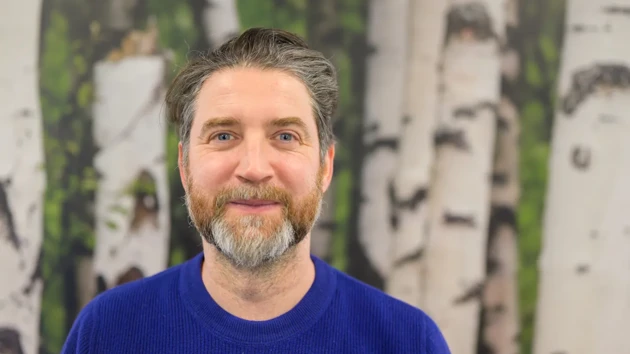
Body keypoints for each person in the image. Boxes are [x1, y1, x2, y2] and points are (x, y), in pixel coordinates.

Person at [61, 27, 451, 353]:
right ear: (184, 165)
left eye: (285, 135)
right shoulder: (107, 332)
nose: (253, 168)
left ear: (325, 165)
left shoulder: (408, 341)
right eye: (224, 135)